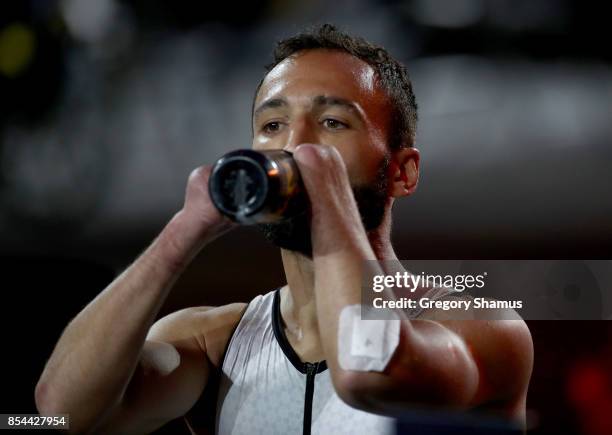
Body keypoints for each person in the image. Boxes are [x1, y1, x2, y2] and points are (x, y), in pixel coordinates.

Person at [35, 24, 533, 435]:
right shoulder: (215, 342)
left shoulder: (478, 327)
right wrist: (180, 235)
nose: (294, 145)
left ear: (401, 172)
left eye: (333, 123)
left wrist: (327, 201)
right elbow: (63, 413)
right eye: (272, 126)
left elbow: (368, 370)